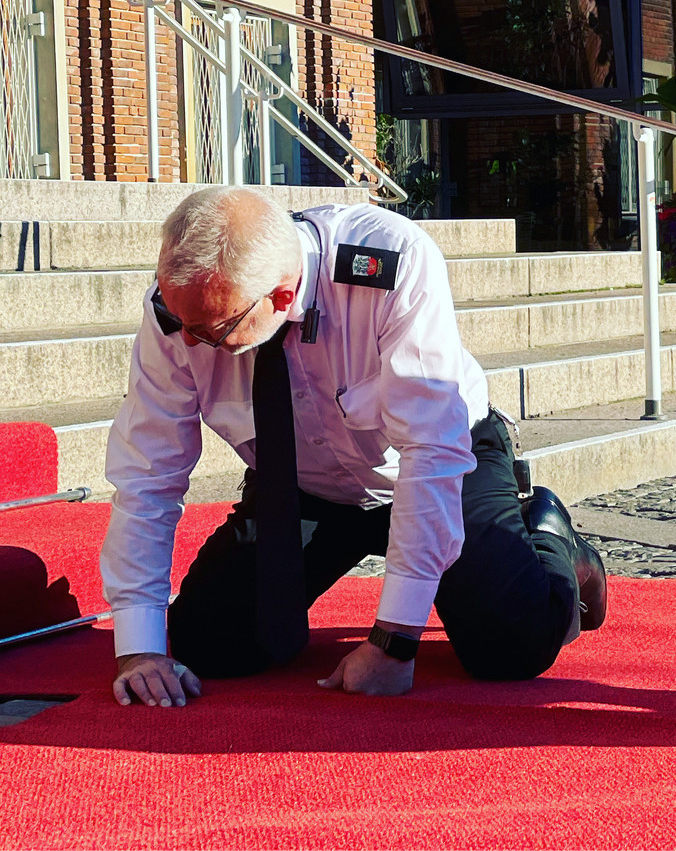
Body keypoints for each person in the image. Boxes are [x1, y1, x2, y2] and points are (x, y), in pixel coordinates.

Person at [101, 186, 606, 707]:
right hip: (304, 484)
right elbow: (147, 471)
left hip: (443, 466)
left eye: (209, 330)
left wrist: (394, 641)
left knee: (509, 650)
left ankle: (552, 538)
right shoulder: (188, 308)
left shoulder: (391, 262)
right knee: (209, 643)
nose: (185, 340)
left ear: (280, 297)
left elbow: (431, 449)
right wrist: (138, 649)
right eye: (177, 319)